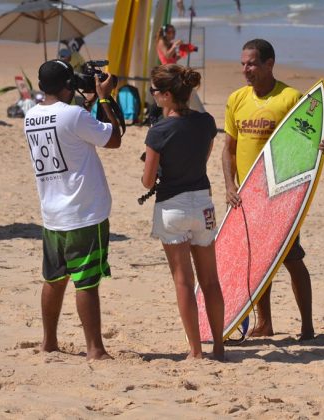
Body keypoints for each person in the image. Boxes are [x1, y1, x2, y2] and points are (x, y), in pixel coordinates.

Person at [223, 39, 324, 341]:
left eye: (252, 63)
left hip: (280, 195)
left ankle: (307, 326)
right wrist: (230, 185)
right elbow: (229, 149)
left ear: (269, 64)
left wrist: (321, 146)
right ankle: (265, 323)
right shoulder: (236, 99)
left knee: (291, 259)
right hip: (248, 196)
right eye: (243, 63)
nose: (246, 69)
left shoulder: (290, 97)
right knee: (257, 262)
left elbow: (307, 138)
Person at [23, 59, 123, 360]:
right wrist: (104, 98)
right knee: (87, 281)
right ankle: (95, 348)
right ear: (68, 85)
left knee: (54, 279)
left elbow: (73, 131)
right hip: (84, 212)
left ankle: (49, 342)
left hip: (52, 213)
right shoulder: (75, 115)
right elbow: (114, 139)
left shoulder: (30, 116)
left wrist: (89, 102)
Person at [142, 64, 225, 360]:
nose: (152, 95)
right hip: (203, 202)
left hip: (173, 205)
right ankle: (218, 345)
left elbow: (148, 180)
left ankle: (195, 351)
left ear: (166, 95)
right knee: (211, 280)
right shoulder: (206, 122)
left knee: (183, 281)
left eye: (154, 91)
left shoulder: (159, 131)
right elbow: (202, 158)